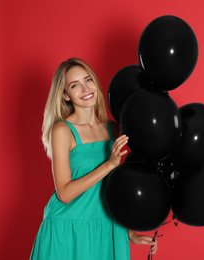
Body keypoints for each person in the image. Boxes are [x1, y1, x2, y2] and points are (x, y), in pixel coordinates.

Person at [30, 57, 157, 260]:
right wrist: (109, 165)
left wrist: (129, 232)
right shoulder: (62, 130)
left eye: (88, 80)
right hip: (68, 228)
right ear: (65, 96)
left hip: (108, 228)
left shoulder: (114, 128)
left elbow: (116, 188)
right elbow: (64, 193)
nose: (85, 88)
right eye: (75, 85)